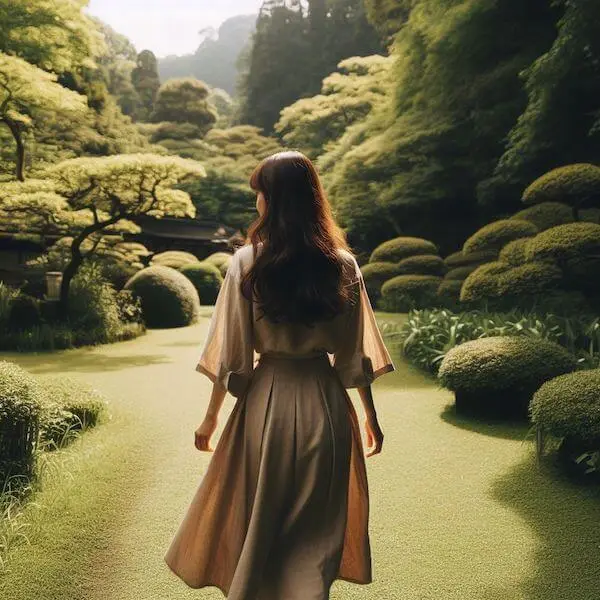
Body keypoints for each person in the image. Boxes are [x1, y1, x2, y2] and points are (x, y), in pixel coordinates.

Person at [164, 150, 395, 599]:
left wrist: (210, 419)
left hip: (265, 405)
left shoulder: (247, 262)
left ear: (272, 200)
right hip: (325, 407)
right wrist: (371, 416)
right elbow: (354, 358)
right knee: (314, 537)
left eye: (260, 194)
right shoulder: (342, 265)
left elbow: (232, 360)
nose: (257, 203)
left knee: (260, 520)